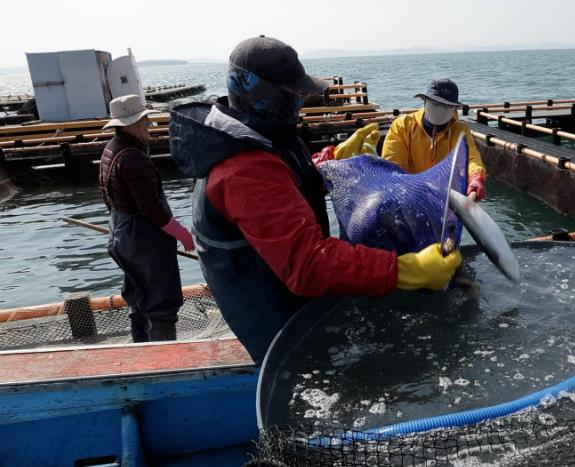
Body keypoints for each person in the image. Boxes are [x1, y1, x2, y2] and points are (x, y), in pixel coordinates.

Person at [169, 36, 462, 362]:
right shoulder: (242, 169)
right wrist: (405, 270)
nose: (300, 102)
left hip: (297, 308)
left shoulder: (254, 136)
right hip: (282, 334)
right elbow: (307, 264)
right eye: (292, 94)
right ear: (258, 92)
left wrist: (331, 159)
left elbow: (284, 190)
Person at [98, 94, 194, 342]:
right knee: (161, 304)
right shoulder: (133, 158)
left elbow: (106, 194)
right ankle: (164, 356)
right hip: (143, 241)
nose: (148, 124)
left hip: (121, 235)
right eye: (144, 120)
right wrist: (181, 233)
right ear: (130, 124)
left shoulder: (111, 148)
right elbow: (151, 208)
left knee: (138, 297)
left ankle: (140, 347)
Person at [381, 79, 487, 200]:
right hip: (407, 194)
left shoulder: (460, 131)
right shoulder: (402, 126)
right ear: (425, 101)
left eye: (448, 105)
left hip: (445, 198)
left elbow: (471, 158)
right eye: (435, 103)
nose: (441, 109)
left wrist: (476, 177)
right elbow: (392, 165)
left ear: (454, 108)